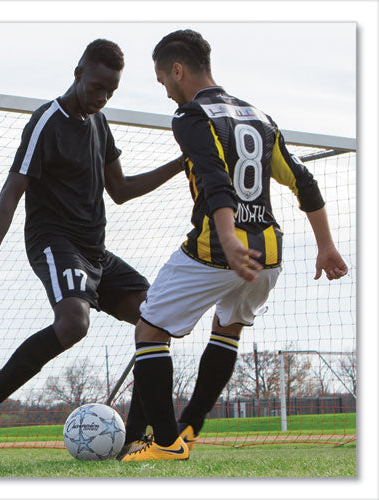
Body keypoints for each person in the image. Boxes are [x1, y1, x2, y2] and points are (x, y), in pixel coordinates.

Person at [120, 29, 348, 462]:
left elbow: (215, 180)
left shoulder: (190, 116)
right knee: (227, 329)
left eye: (162, 78)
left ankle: (165, 443)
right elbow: (303, 181)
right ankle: (189, 428)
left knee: (150, 330)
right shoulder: (259, 117)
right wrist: (326, 246)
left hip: (217, 251)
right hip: (268, 256)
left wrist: (227, 238)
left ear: (177, 70)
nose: (163, 89)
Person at [0, 39, 184, 449]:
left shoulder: (99, 122)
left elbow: (121, 190)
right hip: (54, 242)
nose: (102, 98)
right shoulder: (46, 122)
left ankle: (133, 440)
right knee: (73, 323)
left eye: (110, 91)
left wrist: (181, 164)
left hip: (95, 251)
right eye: (97, 87)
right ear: (78, 74)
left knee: (156, 319)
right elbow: (10, 194)